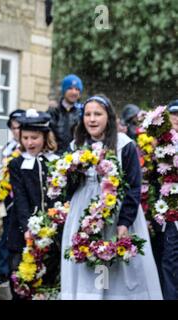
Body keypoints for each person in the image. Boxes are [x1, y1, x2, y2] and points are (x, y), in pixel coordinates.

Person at [60, 94, 163, 300]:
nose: (92, 119)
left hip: (115, 214)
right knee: (88, 264)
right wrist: (68, 173)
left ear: (109, 117)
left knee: (113, 267)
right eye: (88, 114)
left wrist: (124, 222)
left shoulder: (124, 145)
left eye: (98, 114)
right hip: (84, 213)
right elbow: (68, 189)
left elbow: (134, 186)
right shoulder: (75, 147)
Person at [7, 109, 59, 299]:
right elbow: (20, 199)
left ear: (45, 137)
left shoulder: (56, 162)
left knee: (48, 284)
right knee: (22, 285)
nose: (29, 142)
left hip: (51, 234)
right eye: (26, 137)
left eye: (34, 138)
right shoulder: (16, 164)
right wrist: (27, 227)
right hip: (23, 234)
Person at [0, 108, 24, 285]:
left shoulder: (27, 147)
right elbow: (1, 172)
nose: (16, 131)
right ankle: (1, 271)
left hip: (22, 196)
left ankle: (18, 271)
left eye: (19, 127)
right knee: (6, 233)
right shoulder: (8, 148)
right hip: (7, 196)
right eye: (13, 127)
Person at [160, 99, 178, 300]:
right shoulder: (158, 142)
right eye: (174, 115)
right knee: (169, 259)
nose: (177, 119)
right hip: (166, 212)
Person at [48, 74, 83, 155]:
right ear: (64, 90)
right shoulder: (53, 111)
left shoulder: (82, 112)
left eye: (77, 89)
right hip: (54, 157)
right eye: (70, 88)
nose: (74, 92)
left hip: (75, 158)